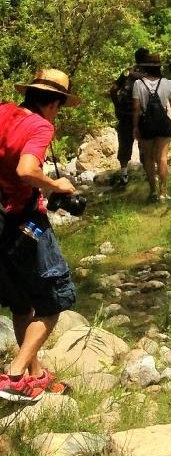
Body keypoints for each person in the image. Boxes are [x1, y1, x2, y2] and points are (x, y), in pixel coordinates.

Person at [0, 69, 80, 402]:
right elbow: (25, 169)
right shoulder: (40, 125)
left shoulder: (4, 111)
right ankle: (15, 376)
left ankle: (37, 375)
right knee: (56, 299)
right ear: (55, 104)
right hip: (24, 221)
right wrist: (55, 184)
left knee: (22, 304)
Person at [132, 54, 171, 202]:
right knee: (162, 158)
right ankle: (163, 193)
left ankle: (152, 192)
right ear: (159, 67)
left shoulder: (138, 84)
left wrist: (135, 127)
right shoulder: (167, 83)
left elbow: (136, 108)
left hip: (145, 124)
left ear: (145, 67)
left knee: (148, 158)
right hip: (162, 124)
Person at [107, 47, 149, 188]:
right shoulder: (149, 74)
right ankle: (146, 173)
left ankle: (124, 175)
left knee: (125, 144)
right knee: (144, 144)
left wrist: (116, 106)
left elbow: (113, 89)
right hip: (142, 116)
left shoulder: (127, 72)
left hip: (124, 115)